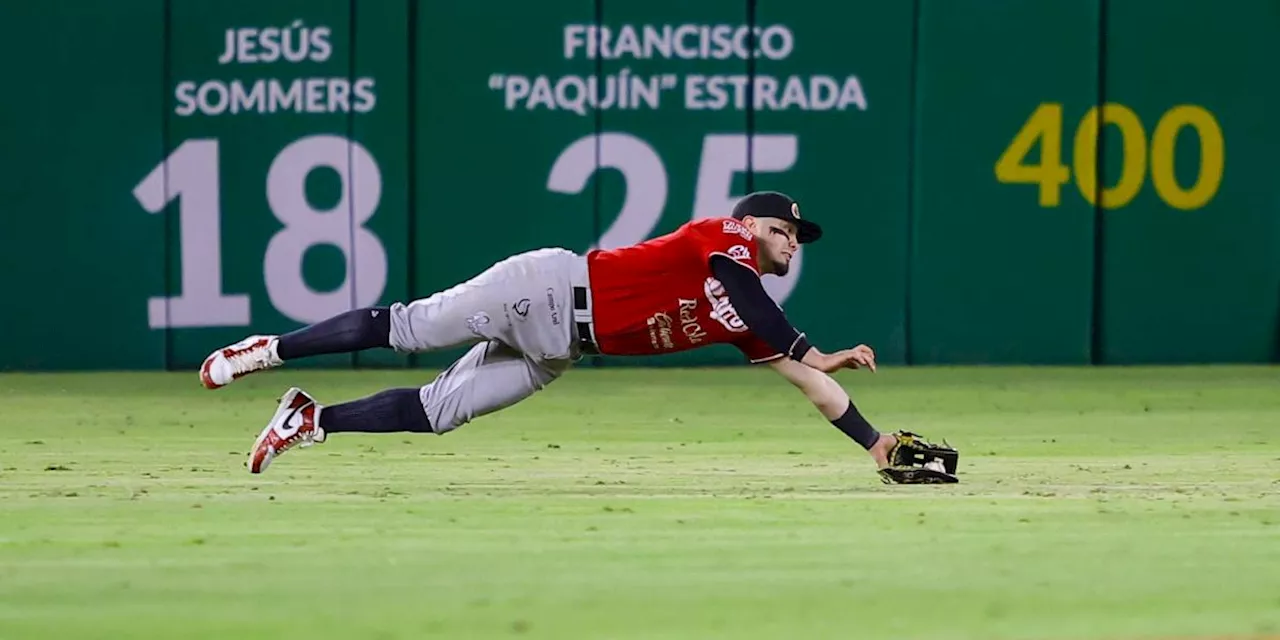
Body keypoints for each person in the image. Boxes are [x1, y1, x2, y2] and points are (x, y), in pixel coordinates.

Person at [200, 191, 953, 483]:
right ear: (754, 225)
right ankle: (267, 351)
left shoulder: (746, 312)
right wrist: (810, 345)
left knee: (440, 412)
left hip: (565, 347)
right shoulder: (723, 240)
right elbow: (762, 307)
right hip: (551, 287)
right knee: (408, 329)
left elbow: (808, 382)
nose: (795, 243)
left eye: (800, 237)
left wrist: (874, 442)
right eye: (786, 231)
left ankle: (309, 419)